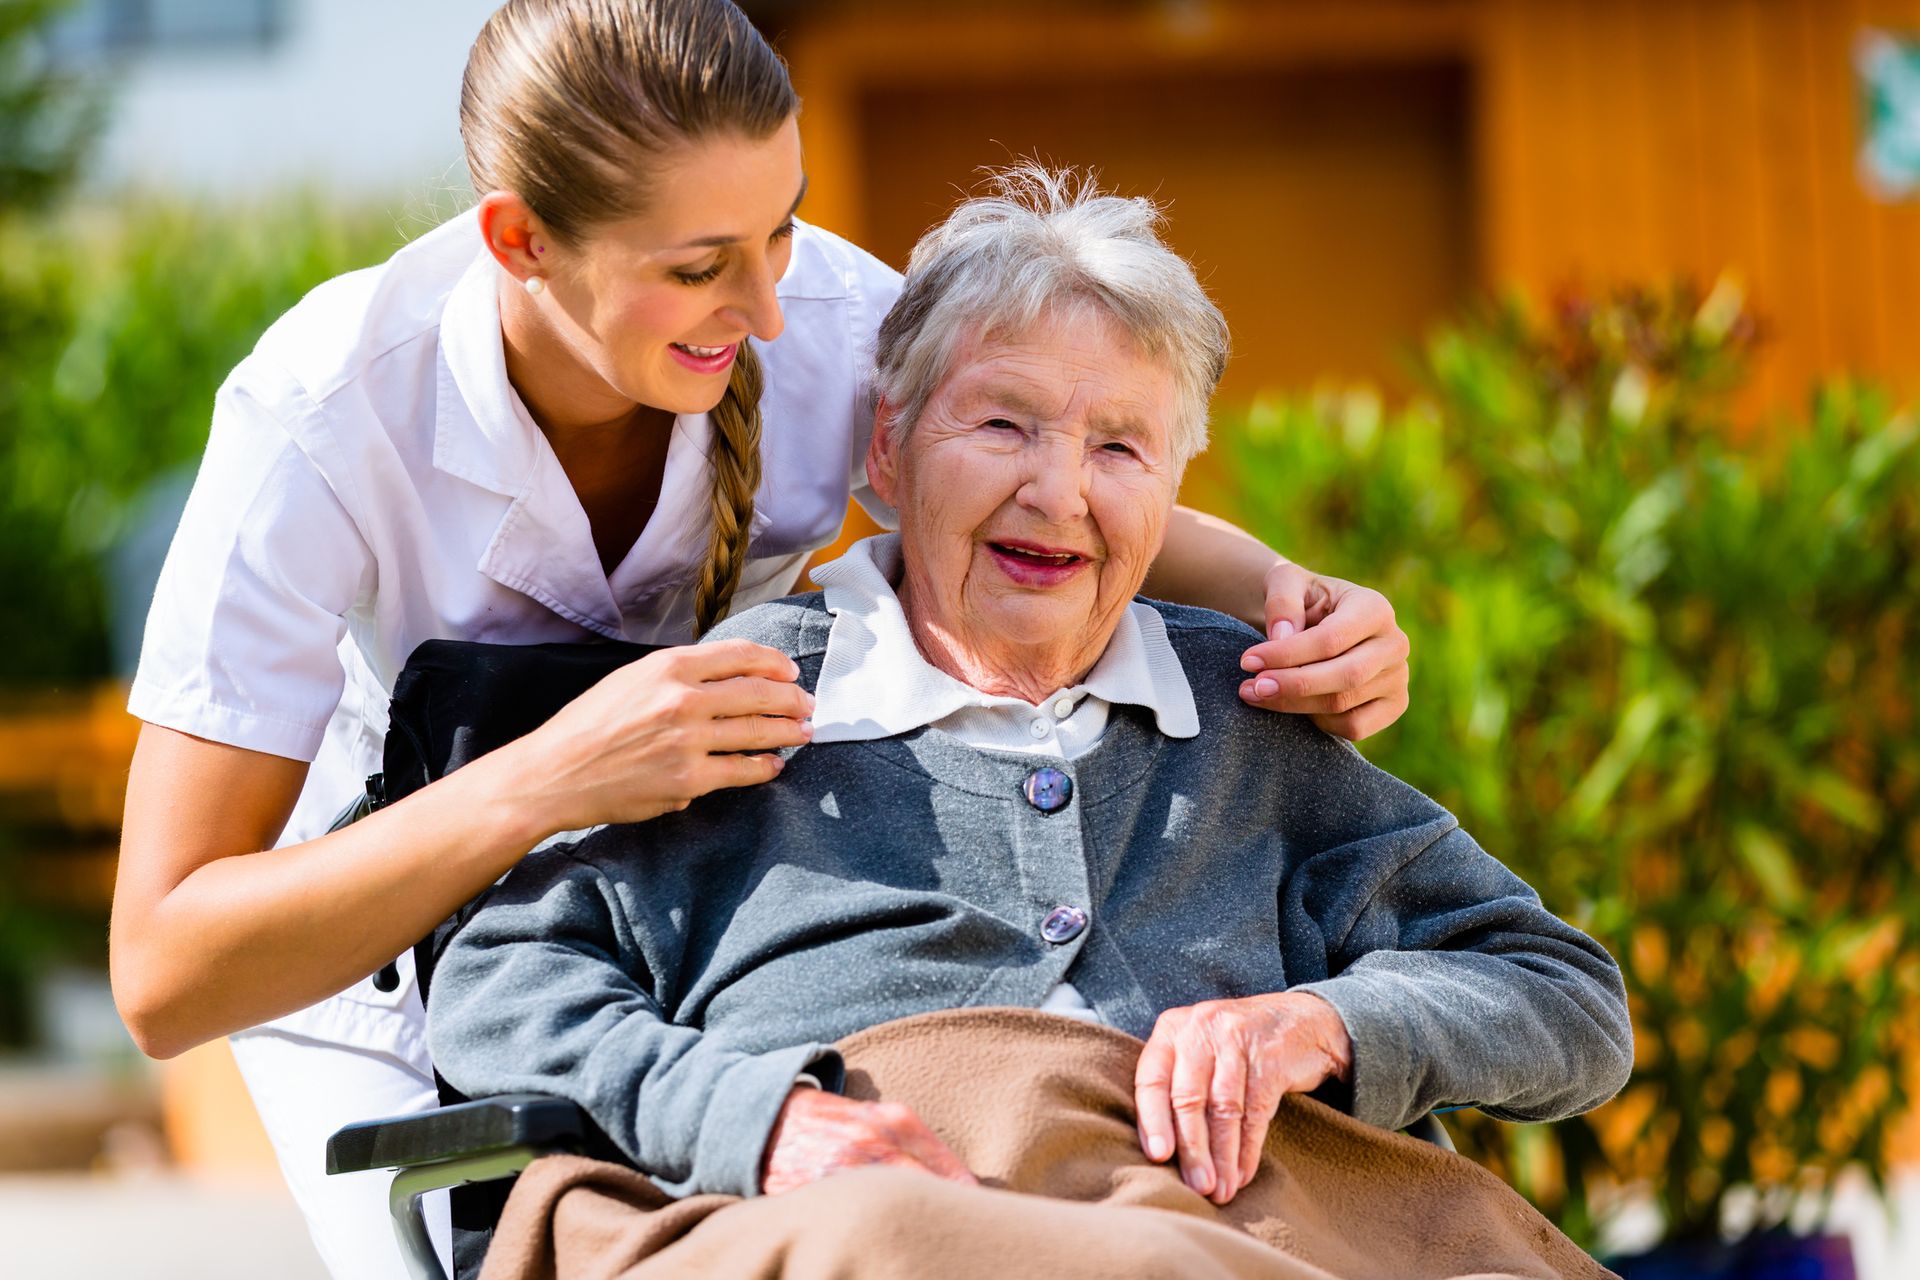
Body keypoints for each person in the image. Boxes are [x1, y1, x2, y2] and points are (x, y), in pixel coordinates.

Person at [109, 3, 1409, 1276]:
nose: (769, 312)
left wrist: (1293, 595)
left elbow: (1046, 482)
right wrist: (553, 776)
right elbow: (165, 972)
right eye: (697, 268)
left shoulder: (833, 317)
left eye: (779, 231)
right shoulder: (325, 416)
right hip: (391, 945)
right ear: (520, 242)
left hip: (699, 928)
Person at [426, 167, 1632, 1277]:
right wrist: (754, 1118)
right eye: (1003, 425)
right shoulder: (739, 701)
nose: (1058, 492)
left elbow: (1567, 995)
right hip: (887, 1230)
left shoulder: (1245, 715)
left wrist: (1325, 1019)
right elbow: (500, 981)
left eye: (1121, 445)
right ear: (890, 449)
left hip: (1255, 1229)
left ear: (1170, 491)